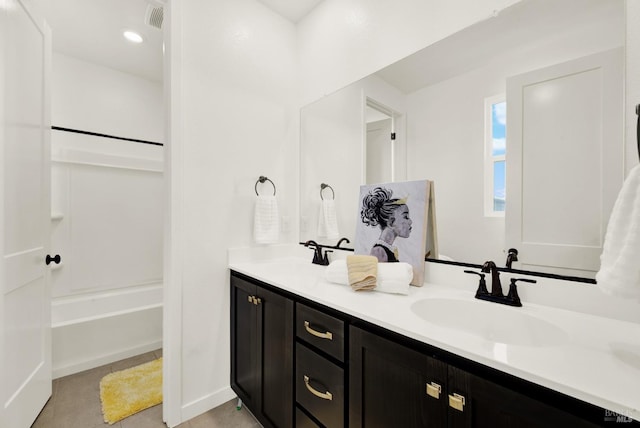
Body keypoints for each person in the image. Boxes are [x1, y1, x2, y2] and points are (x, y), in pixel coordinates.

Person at [360, 186, 412, 262]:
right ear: (391, 223)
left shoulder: (387, 249)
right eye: (406, 217)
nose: (410, 221)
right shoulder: (379, 251)